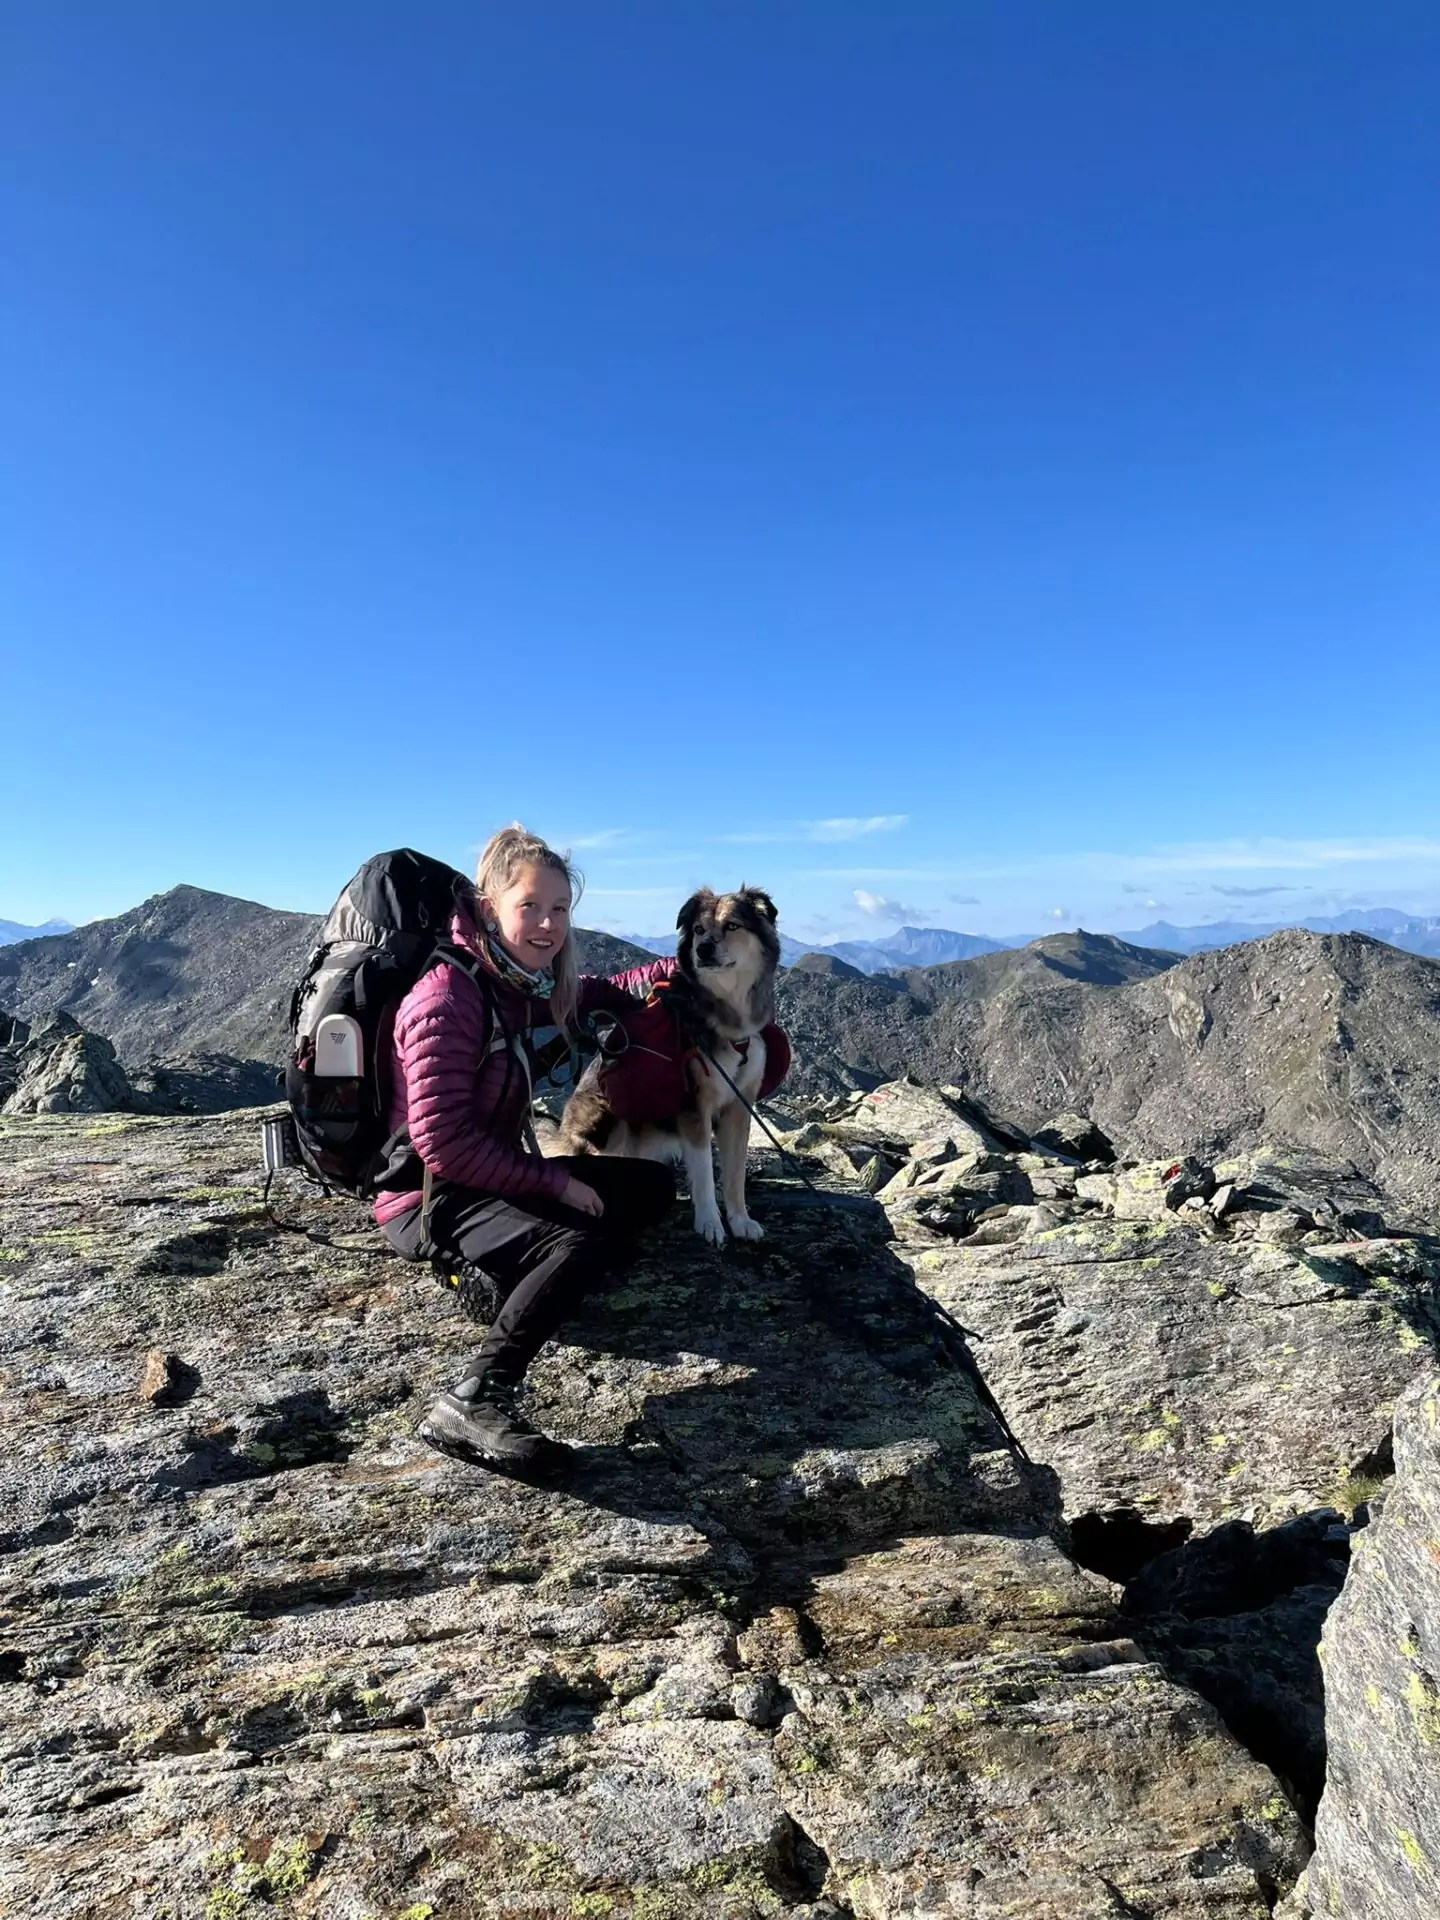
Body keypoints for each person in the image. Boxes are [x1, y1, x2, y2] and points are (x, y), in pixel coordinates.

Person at [375, 824, 675, 1479]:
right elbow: (442, 1143)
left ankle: (520, 1270)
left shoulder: (517, 983)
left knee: (651, 1188)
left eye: (560, 908)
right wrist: (554, 1184)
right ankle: (474, 1397)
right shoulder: (447, 999)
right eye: (530, 906)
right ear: (489, 910)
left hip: (485, 1177)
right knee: (580, 1242)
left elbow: (598, 991)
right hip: (429, 1197)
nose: (548, 924)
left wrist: (682, 969)